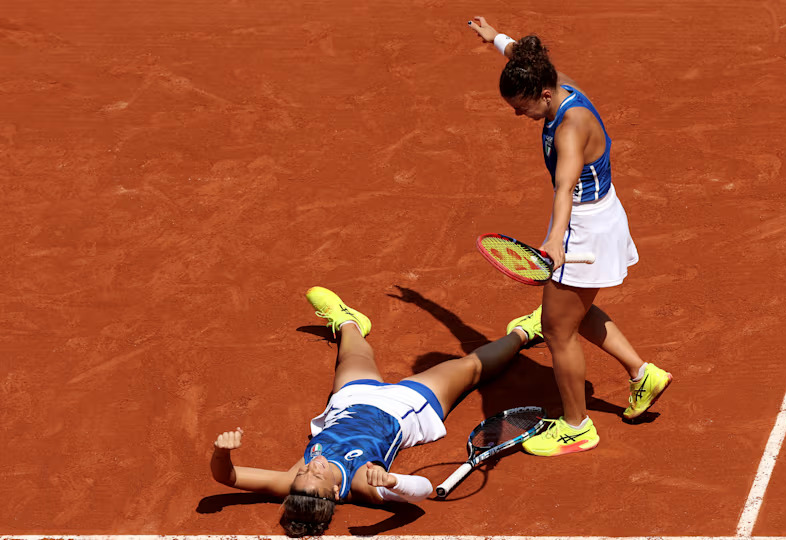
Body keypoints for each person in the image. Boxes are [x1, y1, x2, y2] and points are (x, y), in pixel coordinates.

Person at [467, 17, 673, 457]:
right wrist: (497, 39)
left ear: (543, 94)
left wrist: (557, 240)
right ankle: (642, 374)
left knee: (556, 330)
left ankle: (577, 426)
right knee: (571, 312)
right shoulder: (558, 83)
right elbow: (528, 56)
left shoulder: (568, 129)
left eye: (522, 106)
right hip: (603, 214)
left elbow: (564, 189)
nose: (518, 114)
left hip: (583, 228)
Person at [209, 286, 541, 536]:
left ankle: (348, 320)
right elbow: (424, 491)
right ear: (331, 496)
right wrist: (393, 481)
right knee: (469, 367)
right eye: (317, 476)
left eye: (302, 473)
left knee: (352, 353)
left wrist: (221, 452)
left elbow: (228, 477)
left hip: (349, 402)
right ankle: (525, 332)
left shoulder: (296, 486)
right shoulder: (361, 485)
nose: (310, 469)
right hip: (406, 407)